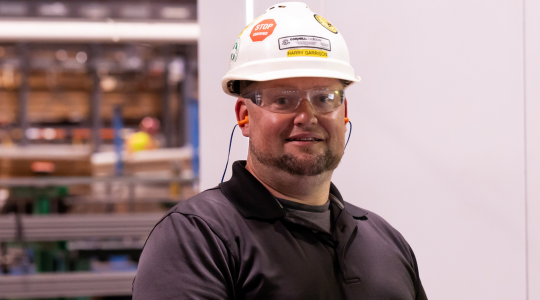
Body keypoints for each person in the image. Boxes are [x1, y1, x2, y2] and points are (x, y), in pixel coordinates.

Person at [133, 3, 427, 299]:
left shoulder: (384, 240)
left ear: (344, 110)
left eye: (325, 98)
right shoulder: (198, 239)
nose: (307, 116)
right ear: (244, 116)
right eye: (284, 100)